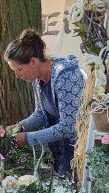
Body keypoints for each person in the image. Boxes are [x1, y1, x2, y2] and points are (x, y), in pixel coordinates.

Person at [5, 29, 84, 177]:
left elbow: (69, 126)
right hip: (61, 148)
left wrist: (28, 138)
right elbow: (41, 114)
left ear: (33, 61)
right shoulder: (37, 80)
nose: (17, 76)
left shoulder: (65, 75)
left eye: (19, 70)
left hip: (78, 149)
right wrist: (21, 126)